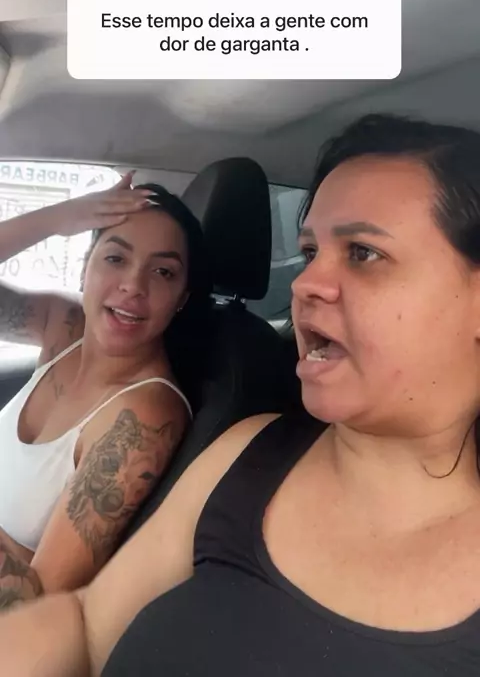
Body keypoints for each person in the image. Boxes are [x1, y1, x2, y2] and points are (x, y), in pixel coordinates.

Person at [3, 112, 480, 676]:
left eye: (362, 253)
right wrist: (62, 217)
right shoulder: (248, 451)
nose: (303, 283)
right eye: (309, 253)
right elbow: (84, 625)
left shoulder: (148, 413)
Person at [0, 172, 211, 609]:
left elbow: (38, 604)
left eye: (163, 271)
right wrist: (57, 218)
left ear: (182, 298)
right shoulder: (63, 328)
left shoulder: (143, 415)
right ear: (85, 268)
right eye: (115, 258)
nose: (133, 286)